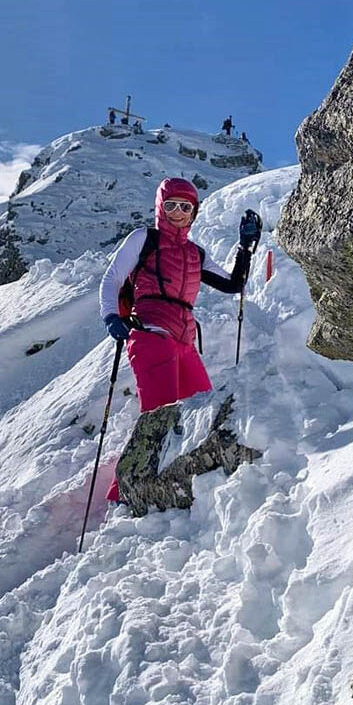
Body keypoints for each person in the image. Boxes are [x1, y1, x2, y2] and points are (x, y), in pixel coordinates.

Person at [99, 178, 260, 500]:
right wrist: (110, 317)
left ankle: (184, 484)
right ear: (160, 207)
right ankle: (126, 494)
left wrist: (244, 249)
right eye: (170, 205)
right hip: (151, 334)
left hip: (185, 340)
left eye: (185, 207)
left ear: (194, 212)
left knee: (202, 409)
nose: (177, 212)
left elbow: (232, 285)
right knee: (159, 414)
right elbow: (113, 278)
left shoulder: (195, 253)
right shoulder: (143, 239)